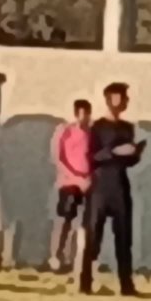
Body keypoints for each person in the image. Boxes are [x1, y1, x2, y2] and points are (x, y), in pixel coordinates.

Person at [80, 81, 144, 298]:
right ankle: (85, 283)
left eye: (125, 97)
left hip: (120, 185)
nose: (124, 101)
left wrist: (134, 153)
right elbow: (92, 157)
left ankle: (126, 285)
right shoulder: (97, 127)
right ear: (109, 99)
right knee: (93, 238)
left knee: (124, 238)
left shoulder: (128, 128)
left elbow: (130, 161)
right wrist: (115, 151)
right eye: (120, 97)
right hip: (100, 187)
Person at [50, 99, 92, 274]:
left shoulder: (92, 134)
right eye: (81, 114)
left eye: (86, 114)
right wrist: (74, 177)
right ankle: (55, 256)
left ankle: (74, 257)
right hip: (68, 183)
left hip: (87, 184)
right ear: (76, 114)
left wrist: (88, 178)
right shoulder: (65, 131)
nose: (83, 118)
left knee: (84, 222)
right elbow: (58, 158)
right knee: (65, 220)